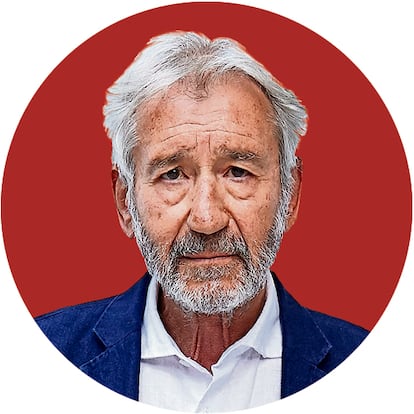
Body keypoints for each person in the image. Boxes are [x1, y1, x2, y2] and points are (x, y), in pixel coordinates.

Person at [36, 31, 368, 412]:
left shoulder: (376, 370)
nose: (207, 219)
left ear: (289, 195)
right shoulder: (35, 357)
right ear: (125, 201)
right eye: (173, 174)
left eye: (238, 172)